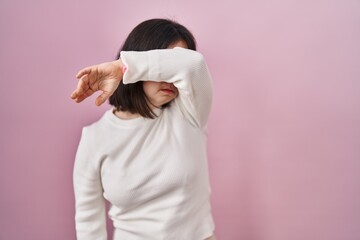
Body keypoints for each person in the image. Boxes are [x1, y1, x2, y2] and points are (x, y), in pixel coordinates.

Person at [71, 18, 217, 240]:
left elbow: (193, 64)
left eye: (172, 65)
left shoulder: (190, 114)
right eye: (164, 63)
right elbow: (88, 221)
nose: (170, 78)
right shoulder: (95, 138)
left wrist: (122, 67)